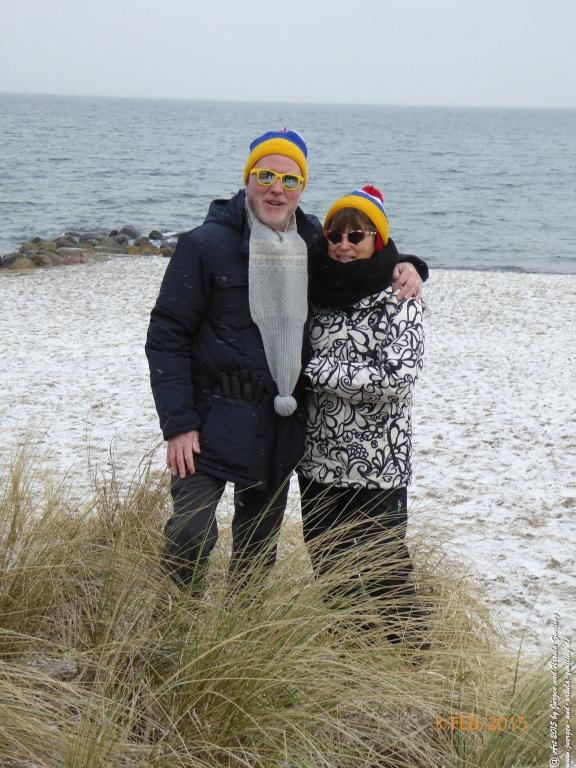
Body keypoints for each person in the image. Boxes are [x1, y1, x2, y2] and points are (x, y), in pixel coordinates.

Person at [145, 131, 427, 588]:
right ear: (248, 179)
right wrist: (178, 424)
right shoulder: (204, 244)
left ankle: (244, 643)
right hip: (210, 415)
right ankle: (173, 627)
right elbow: (166, 337)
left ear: (301, 187)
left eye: (289, 179)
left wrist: (410, 265)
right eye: (266, 175)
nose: (277, 188)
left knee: (256, 553)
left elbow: (358, 262)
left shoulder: (312, 238)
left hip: (277, 421)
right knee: (190, 533)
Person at [298, 185, 426, 642]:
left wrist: (312, 371)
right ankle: (354, 674)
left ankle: (417, 670)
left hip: (378, 464)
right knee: (331, 575)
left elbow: (396, 378)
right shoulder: (313, 287)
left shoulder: (401, 296)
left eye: (357, 235)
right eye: (335, 235)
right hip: (316, 461)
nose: (344, 245)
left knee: (385, 574)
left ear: (377, 239)